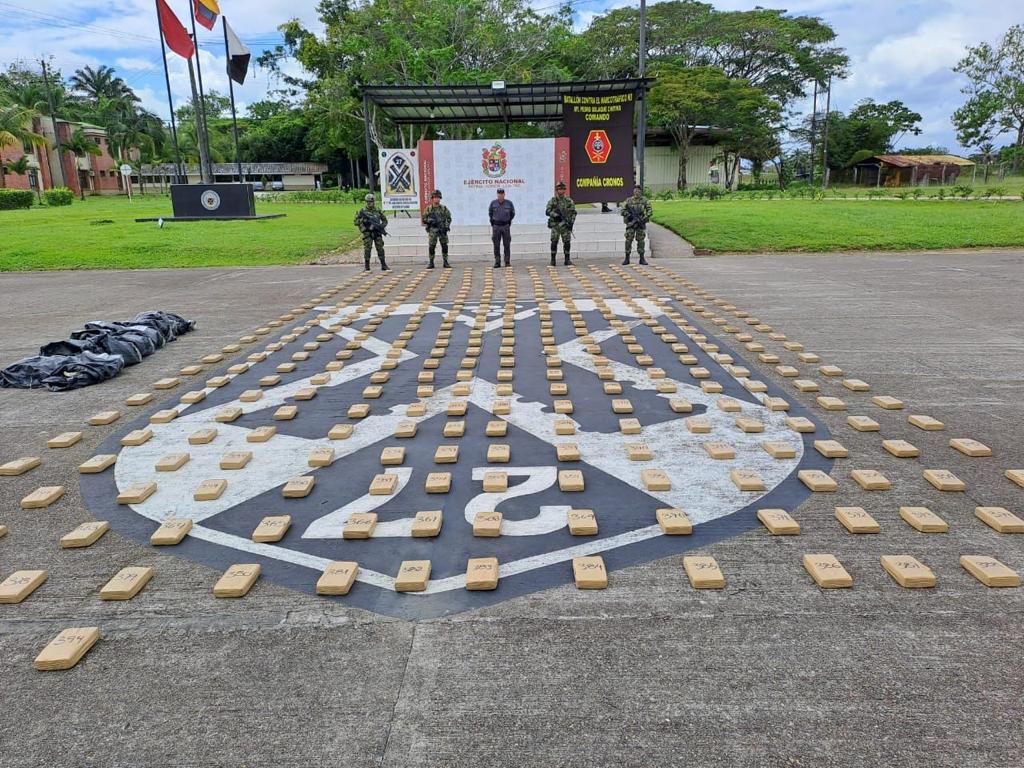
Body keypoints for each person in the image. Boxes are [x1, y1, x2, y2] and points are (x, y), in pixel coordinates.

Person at [354, 193, 389, 271]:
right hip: (367, 233)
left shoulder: (378, 211)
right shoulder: (362, 212)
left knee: (380, 248)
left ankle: (383, 265)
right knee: (367, 249)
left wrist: (381, 226)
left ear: (374, 202)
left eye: (371, 202)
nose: (369, 203)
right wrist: (362, 221)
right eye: (368, 202)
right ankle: (367, 266)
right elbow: (356, 222)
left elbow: (384, 220)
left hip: (377, 233)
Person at [545, 181, 576, 266]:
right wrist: (555, 215)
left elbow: (573, 212)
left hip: (565, 226)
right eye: (559, 189)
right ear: (556, 190)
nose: (561, 191)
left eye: (562, 189)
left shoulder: (569, 201)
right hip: (555, 225)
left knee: (567, 242)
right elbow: (547, 211)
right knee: (554, 242)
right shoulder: (553, 200)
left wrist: (571, 222)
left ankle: (567, 259)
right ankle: (553, 260)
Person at [620, 184, 653, 265]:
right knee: (628, 240)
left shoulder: (645, 200)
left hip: (640, 223)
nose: (636, 192)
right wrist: (629, 215)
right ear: (633, 191)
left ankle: (642, 258)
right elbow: (622, 211)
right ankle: (627, 258)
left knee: (641, 240)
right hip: (631, 223)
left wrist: (644, 218)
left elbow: (650, 210)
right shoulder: (629, 201)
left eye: (638, 191)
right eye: (635, 191)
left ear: (641, 192)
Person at [421, 189, 452, 269]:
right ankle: (431, 262)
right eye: (435, 197)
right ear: (432, 198)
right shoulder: (429, 209)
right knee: (432, 247)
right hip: (433, 230)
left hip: (442, 230)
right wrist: (430, 221)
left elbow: (449, 218)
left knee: (444, 246)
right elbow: (424, 219)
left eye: (438, 197)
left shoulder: (443, 208)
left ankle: (445, 262)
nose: (436, 199)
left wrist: (446, 226)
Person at [488, 188, 515, 268]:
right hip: (496, 226)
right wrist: (494, 223)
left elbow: (512, 214)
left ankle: (507, 261)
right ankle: (497, 261)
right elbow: (490, 214)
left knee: (507, 244)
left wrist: (508, 220)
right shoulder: (493, 203)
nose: (500, 195)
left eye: (502, 194)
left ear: (504, 194)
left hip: (506, 226)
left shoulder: (509, 203)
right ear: (497, 195)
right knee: (496, 245)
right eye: (499, 194)